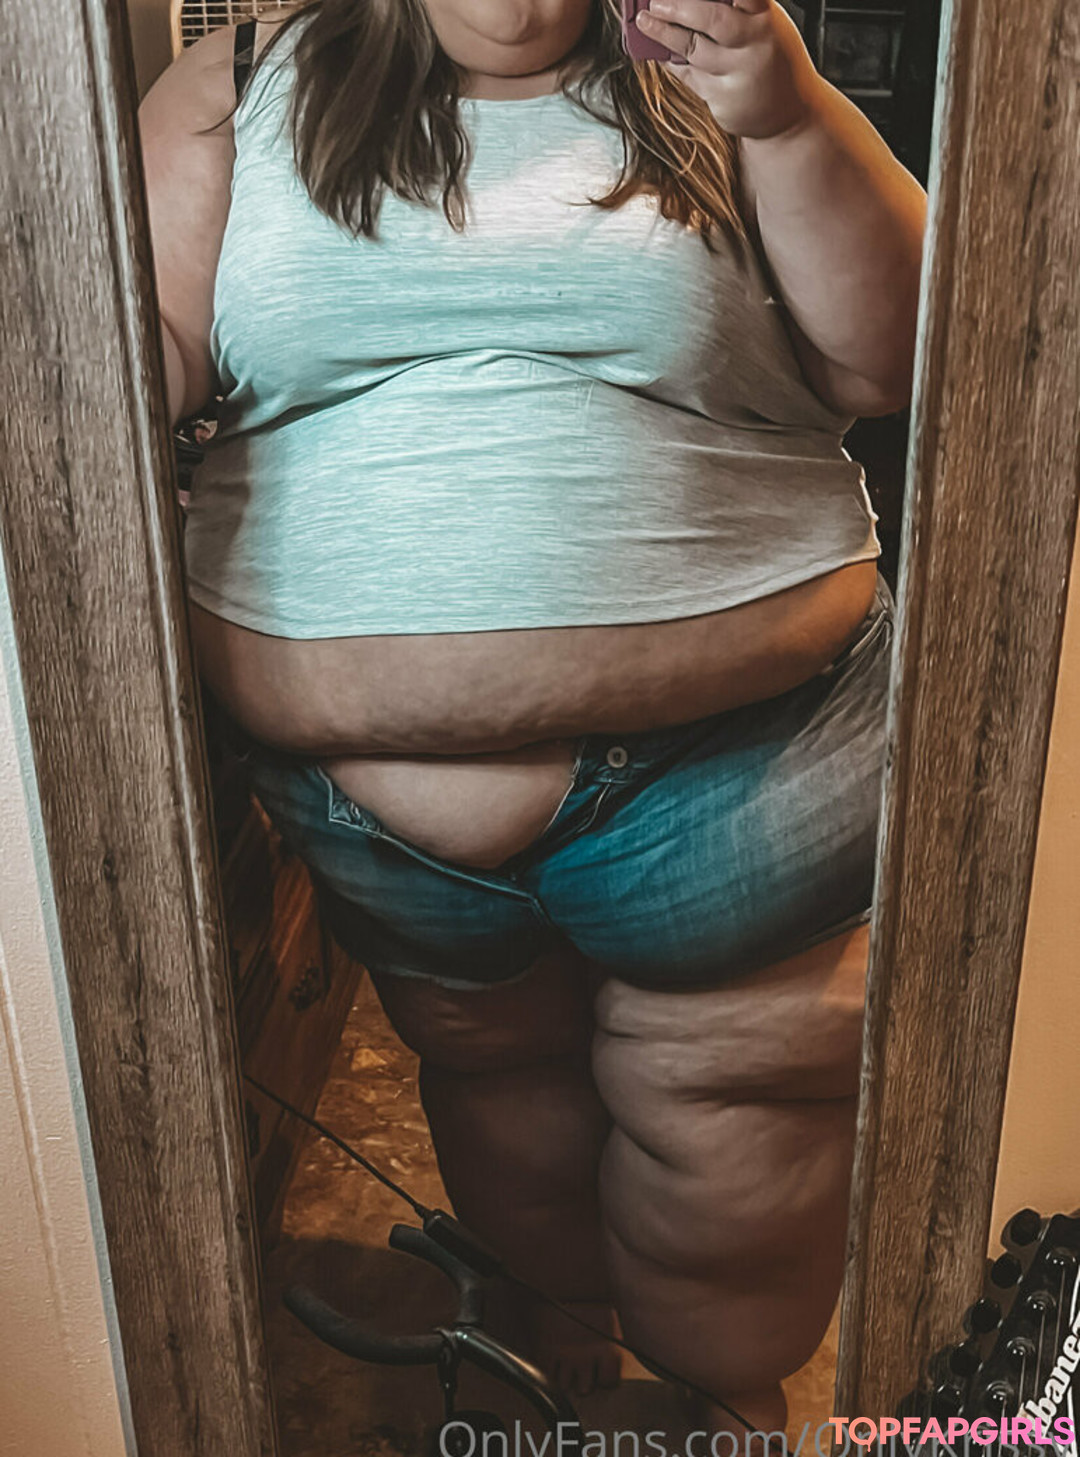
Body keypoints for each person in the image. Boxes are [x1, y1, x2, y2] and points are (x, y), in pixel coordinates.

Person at [139, 0, 925, 1431]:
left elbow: (898, 360)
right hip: (385, 823)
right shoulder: (237, 87)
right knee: (499, 1084)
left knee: (728, 1108)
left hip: (740, 778)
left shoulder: (720, 67)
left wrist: (785, 110)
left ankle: (720, 1403)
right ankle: (554, 1333)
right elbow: (142, 363)